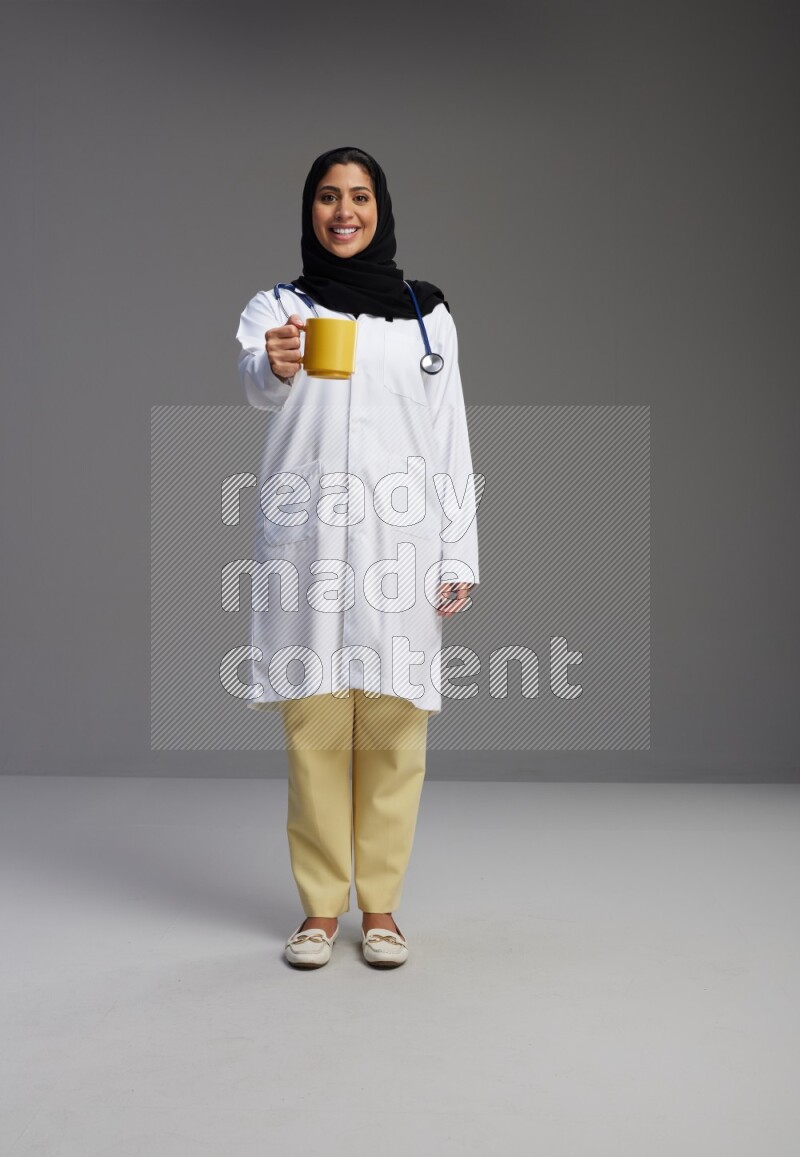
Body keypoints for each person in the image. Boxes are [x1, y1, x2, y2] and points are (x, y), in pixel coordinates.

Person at [235, 146, 480, 969]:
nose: (345, 211)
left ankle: (380, 909)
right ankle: (317, 910)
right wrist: (275, 363)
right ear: (310, 210)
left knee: (393, 733)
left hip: (400, 546)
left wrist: (458, 553)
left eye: (361, 196)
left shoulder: (426, 315)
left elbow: (449, 434)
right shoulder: (280, 306)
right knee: (314, 733)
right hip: (309, 543)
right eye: (330, 197)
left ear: (382, 209)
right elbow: (257, 381)